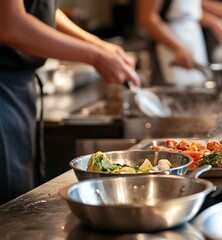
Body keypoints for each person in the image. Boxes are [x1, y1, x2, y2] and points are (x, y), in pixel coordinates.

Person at [0, 0, 140, 205]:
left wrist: (98, 45)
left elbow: (42, 11)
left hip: (18, 90)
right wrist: (96, 56)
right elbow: (10, 24)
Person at [136, 0, 210, 87]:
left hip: (194, 41)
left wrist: (215, 22)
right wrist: (177, 49)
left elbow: (191, 10)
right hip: (168, 48)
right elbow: (147, 19)